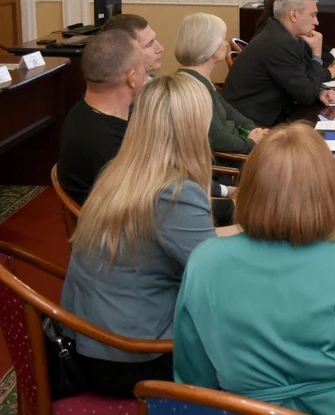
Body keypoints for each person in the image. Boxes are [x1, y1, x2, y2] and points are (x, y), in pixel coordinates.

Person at [174, 124, 335, 414]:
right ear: (325, 194)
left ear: (250, 188)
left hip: (242, 407)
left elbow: (194, 376)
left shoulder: (204, 262)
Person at [61, 74, 220, 398]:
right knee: (251, 340)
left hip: (90, 338)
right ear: (192, 128)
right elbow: (218, 276)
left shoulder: (121, 172)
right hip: (131, 357)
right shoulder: (174, 193)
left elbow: (183, 243)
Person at [222, 0, 335, 126]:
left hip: (270, 114)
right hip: (251, 124)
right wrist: (316, 53)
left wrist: (319, 92)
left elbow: (302, 80)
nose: (316, 22)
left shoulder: (283, 35)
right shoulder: (280, 43)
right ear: (294, 15)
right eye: (313, 15)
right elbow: (306, 95)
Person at [57, 29, 146, 204]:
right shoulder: (111, 145)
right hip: (118, 227)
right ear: (132, 78)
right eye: (142, 64)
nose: (145, 70)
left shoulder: (79, 111)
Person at [175, 13, 269, 154]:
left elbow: (230, 112)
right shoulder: (192, 87)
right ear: (208, 44)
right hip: (228, 163)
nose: (226, 44)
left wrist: (251, 130)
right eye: (222, 39)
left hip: (239, 149)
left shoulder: (200, 78)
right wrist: (251, 142)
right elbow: (219, 140)